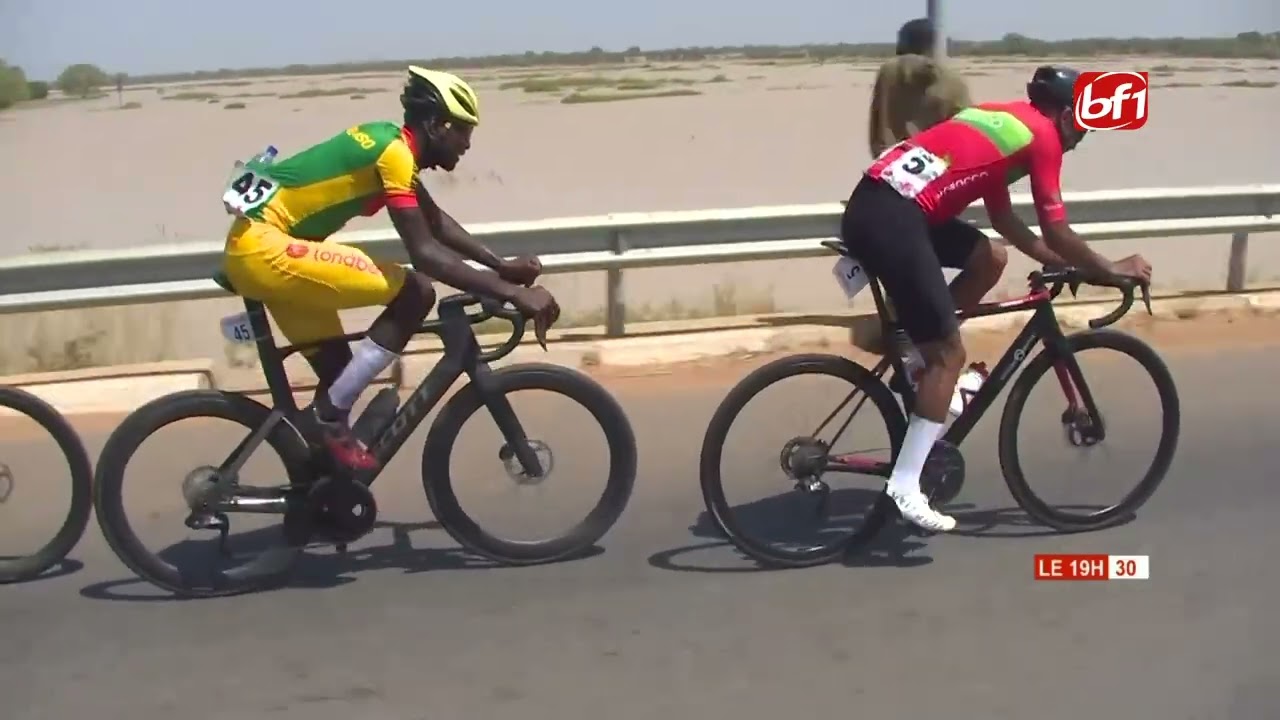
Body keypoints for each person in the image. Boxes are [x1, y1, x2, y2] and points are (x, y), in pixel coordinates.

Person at [840, 65, 1153, 532]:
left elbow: (1005, 222)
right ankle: (905, 485)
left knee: (990, 257)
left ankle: (916, 356)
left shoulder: (1004, 120)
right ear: (1068, 114)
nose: (1083, 136)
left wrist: (1065, 263)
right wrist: (1108, 268)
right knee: (949, 356)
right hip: (894, 218)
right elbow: (1056, 229)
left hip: (879, 205)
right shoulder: (1044, 137)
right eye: (1084, 123)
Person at [220, 66, 560, 472]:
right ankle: (327, 420)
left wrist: (499, 267)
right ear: (435, 125)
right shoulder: (394, 155)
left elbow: (436, 223)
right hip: (265, 249)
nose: (467, 143)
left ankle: (319, 481)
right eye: (462, 130)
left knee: (340, 377)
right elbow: (426, 254)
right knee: (416, 290)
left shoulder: (390, 145)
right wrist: (513, 293)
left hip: (256, 251)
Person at [868, 17, 973, 158]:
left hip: (891, 160)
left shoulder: (888, 72)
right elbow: (966, 127)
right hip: (936, 161)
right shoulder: (952, 80)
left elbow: (877, 121)